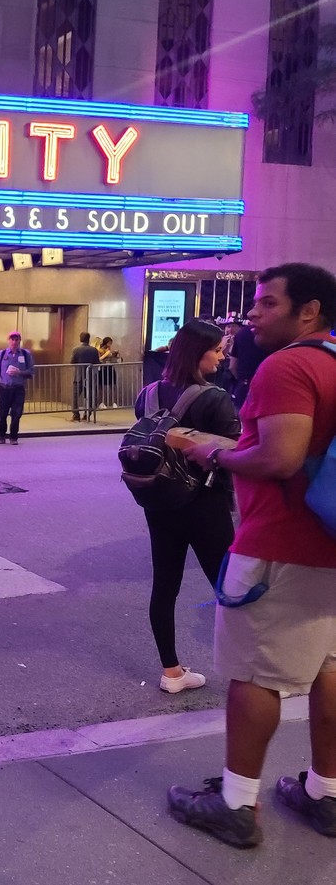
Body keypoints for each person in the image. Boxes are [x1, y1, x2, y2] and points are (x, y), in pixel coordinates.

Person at [168, 263, 336, 848]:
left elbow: (281, 457)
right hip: (331, 544)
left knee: (252, 675)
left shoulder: (291, 364)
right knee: (328, 667)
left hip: (280, 544)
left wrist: (214, 455)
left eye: (266, 303)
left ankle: (236, 804)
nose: (253, 314)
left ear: (307, 311)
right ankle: (326, 792)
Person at [133, 319, 240, 695]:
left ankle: (172, 672)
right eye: (216, 350)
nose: (221, 356)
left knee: (165, 585)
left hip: (159, 501)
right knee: (228, 588)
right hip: (205, 502)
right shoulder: (214, 397)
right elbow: (234, 450)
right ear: (199, 353)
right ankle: (253, 673)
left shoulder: (147, 394)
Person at [0, 331, 34, 445]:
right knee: (2, 413)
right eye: (12, 339)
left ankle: (13, 436)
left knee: (17, 412)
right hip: (4, 387)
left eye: (16, 339)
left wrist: (20, 372)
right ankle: (1, 435)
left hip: (18, 388)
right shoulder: (2, 354)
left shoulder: (25, 354)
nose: (14, 342)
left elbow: (31, 372)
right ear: (8, 341)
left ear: (19, 341)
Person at [227, 314, 268, 410]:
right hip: (268, 387)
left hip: (243, 387)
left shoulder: (241, 334)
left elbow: (232, 366)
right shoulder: (276, 334)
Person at [70, 331, 101, 420]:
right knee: (90, 394)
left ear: (80, 339)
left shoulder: (75, 349)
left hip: (78, 375)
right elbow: (97, 362)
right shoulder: (93, 350)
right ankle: (88, 414)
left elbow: (72, 361)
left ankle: (76, 414)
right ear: (88, 339)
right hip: (90, 375)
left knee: (75, 395)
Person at [97, 336, 120, 408]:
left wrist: (115, 355)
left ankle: (114, 402)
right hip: (102, 369)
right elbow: (99, 359)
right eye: (109, 343)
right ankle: (101, 402)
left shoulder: (109, 351)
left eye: (111, 343)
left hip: (110, 368)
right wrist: (107, 353)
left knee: (113, 386)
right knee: (101, 386)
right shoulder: (100, 350)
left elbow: (114, 359)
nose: (110, 345)